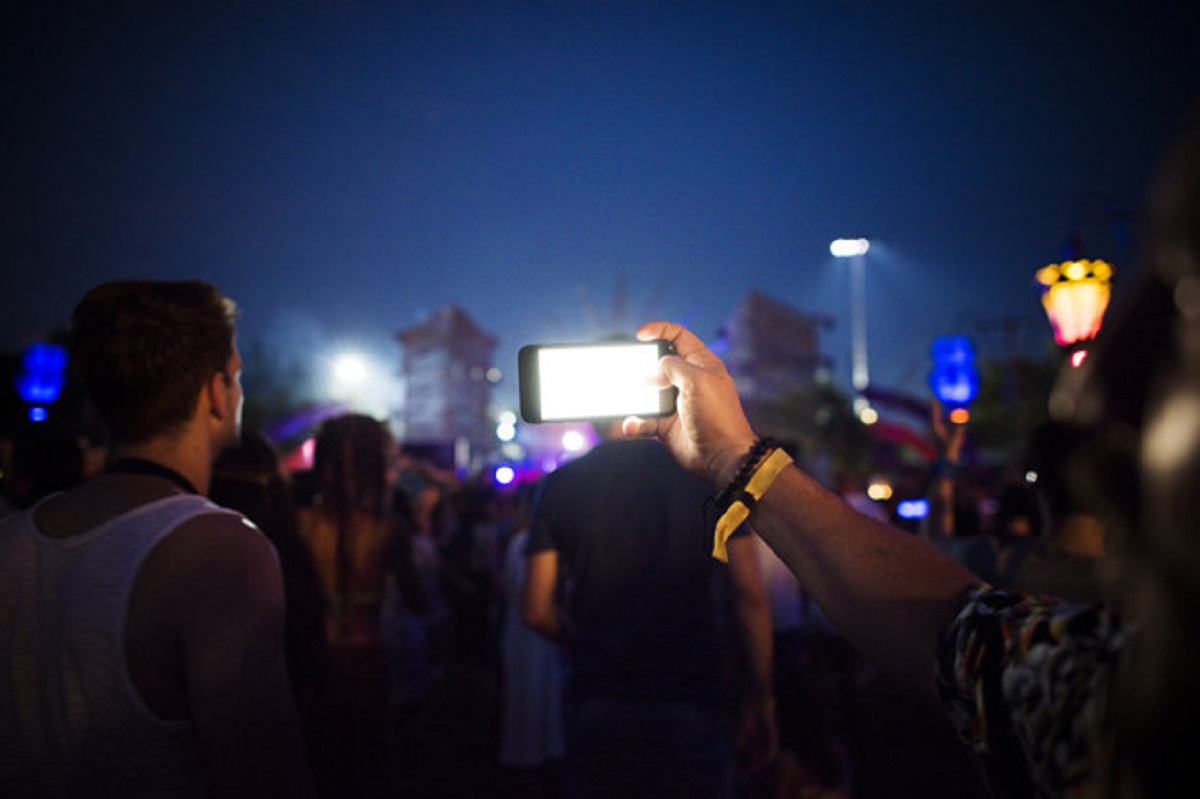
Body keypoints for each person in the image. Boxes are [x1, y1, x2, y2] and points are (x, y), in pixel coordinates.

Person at [621, 109, 1200, 798]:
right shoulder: (1117, 701)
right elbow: (958, 636)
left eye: (1185, 296)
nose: (1088, 398)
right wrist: (735, 459)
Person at [0, 279, 317, 798]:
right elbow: (266, 777)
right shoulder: (220, 551)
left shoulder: (11, 539)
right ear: (217, 392)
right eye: (237, 376)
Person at [522, 417, 777, 799]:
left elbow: (536, 610)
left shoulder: (558, 484)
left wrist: (583, 643)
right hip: (692, 697)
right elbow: (749, 595)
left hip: (599, 697)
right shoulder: (706, 479)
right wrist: (761, 695)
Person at [296, 412, 407, 799]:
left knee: (323, 767)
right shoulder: (388, 528)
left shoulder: (300, 525)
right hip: (367, 658)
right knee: (367, 769)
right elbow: (418, 600)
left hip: (316, 662)